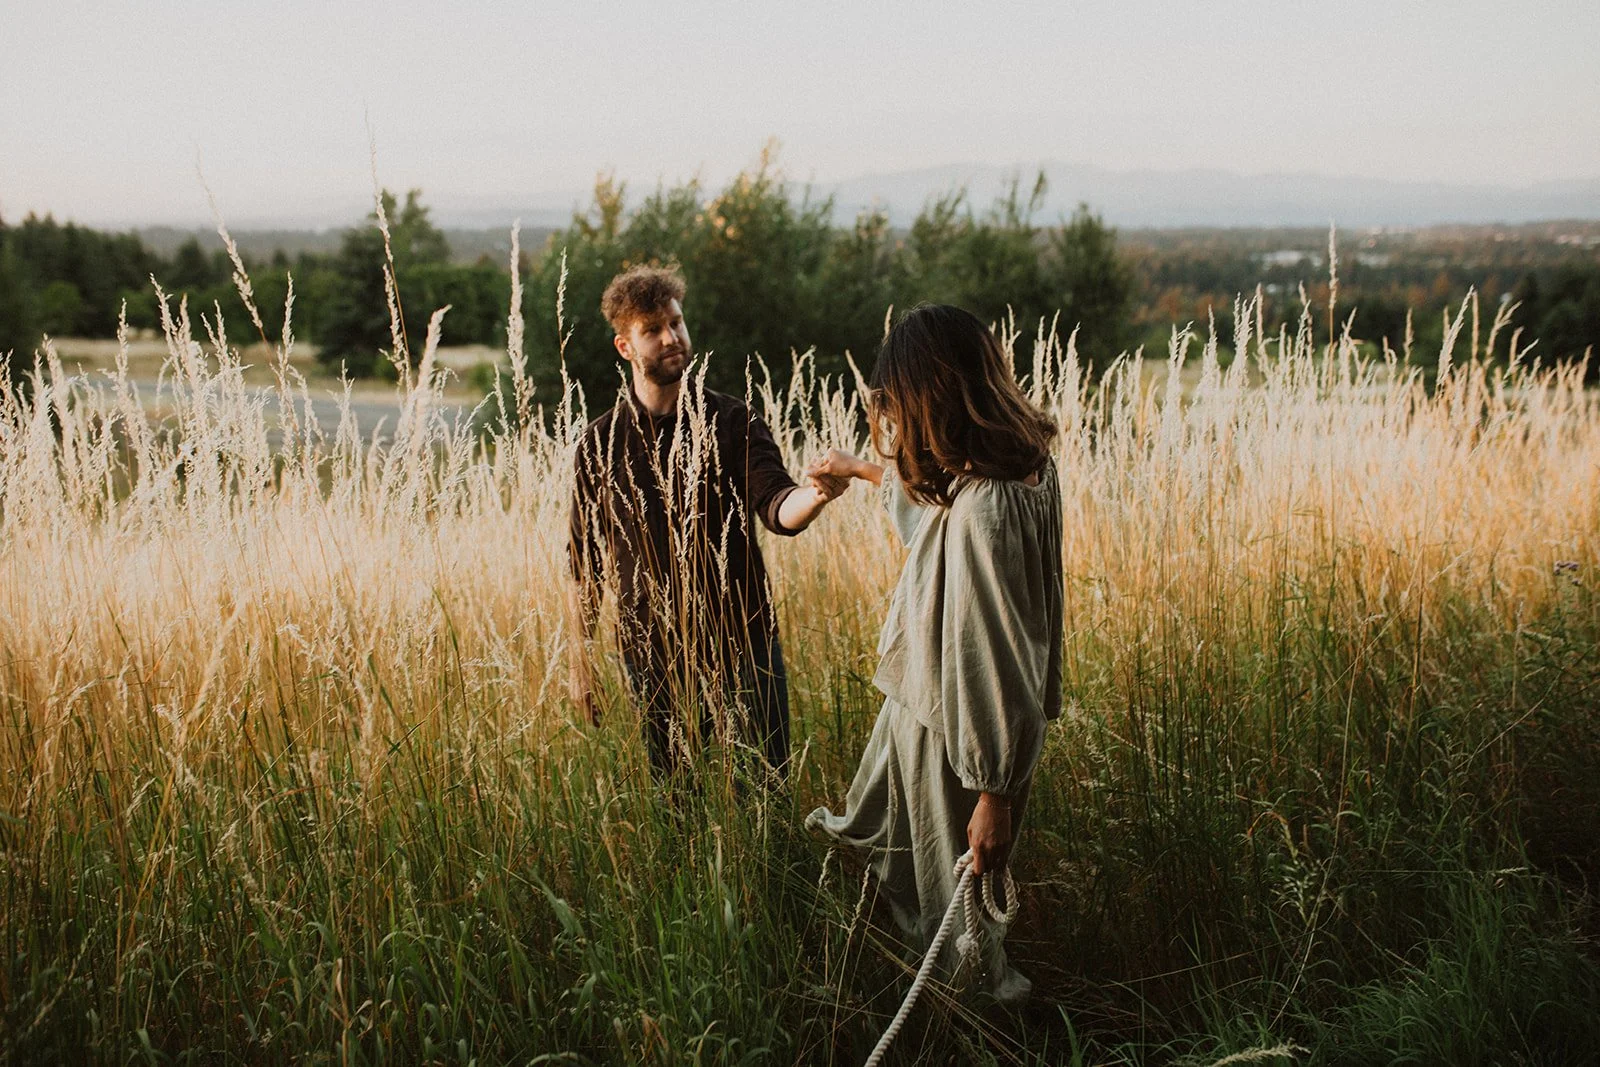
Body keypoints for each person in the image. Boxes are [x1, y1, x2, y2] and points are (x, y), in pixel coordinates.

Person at [805, 304, 1064, 1001]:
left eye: (901, 404)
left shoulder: (986, 507)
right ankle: (894, 984)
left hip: (957, 738)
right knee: (876, 836)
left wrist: (994, 793)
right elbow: (935, 511)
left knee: (959, 921)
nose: (894, 423)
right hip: (925, 706)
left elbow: (1001, 657)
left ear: (936, 395)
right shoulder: (1017, 470)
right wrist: (862, 469)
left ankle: (985, 1028)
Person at [567, 264, 848, 780]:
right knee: (678, 809)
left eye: (676, 322)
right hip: (649, 653)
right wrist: (580, 662)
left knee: (765, 792)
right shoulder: (598, 444)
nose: (671, 337)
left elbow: (777, 504)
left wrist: (815, 495)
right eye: (652, 330)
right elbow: (586, 564)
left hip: (742, 642)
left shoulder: (732, 420)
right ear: (624, 347)